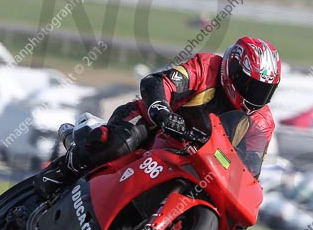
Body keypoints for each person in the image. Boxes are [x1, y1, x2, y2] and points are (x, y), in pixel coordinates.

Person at [34, 36, 281, 198]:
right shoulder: (208, 67)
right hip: (155, 126)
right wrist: (161, 110)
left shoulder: (263, 121)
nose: (255, 95)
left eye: (263, 89)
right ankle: (62, 170)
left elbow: (250, 168)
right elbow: (159, 81)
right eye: (250, 85)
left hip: (196, 160)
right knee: (119, 142)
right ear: (233, 70)